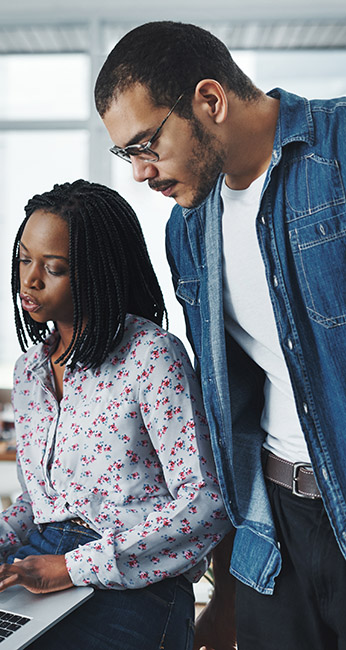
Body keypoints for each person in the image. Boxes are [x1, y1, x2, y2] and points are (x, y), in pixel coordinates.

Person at [0, 180, 229, 650]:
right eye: (24, 260)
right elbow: (41, 507)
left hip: (135, 580)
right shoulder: (31, 370)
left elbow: (206, 504)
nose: (30, 279)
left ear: (98, 273)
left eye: (54, 268)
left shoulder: (151, 356)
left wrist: (71, 568)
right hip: (40, 560)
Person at [94, 19, 346, 650]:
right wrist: (229, 590)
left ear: (210, 99)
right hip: (279, 522)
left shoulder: (338, 150)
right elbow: (227, 406)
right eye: (126, 155)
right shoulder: (189, 231)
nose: (140, 173)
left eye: (147, 145)